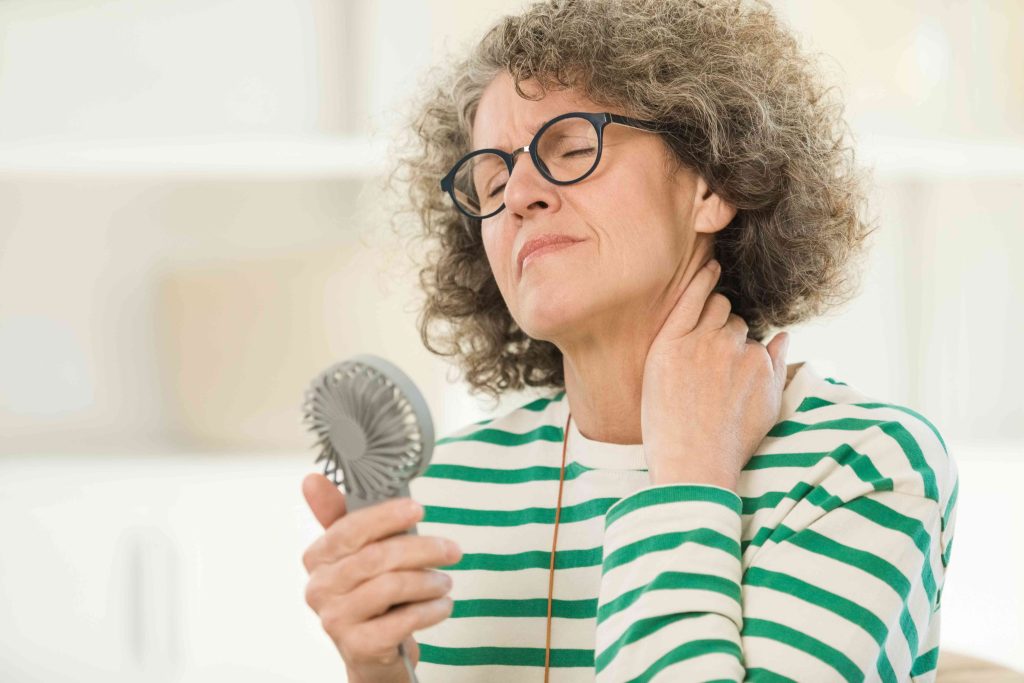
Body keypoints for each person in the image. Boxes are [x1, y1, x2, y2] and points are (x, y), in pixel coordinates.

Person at [302, 0, 960, 681]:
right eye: (492, 179)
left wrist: (686, 478)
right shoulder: (444, 495)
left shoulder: (860, 467)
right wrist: (376, 668)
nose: (520, 193)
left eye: (573, 148)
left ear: (714, 181)